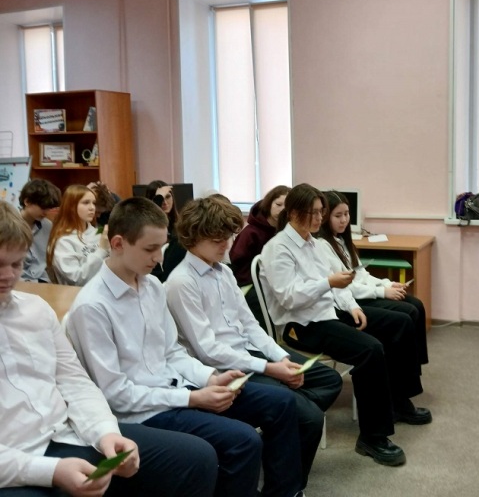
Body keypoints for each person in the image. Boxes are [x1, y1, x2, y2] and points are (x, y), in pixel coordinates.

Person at [65, 197, 304, 497]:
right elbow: (117, 395)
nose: (159, 258)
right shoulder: (92, 306)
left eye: (162, 247)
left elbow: (172, 352)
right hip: (144, 411)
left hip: (177, 389)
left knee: (278, 404)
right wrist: (192, 398)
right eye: (150, 249)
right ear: (118, 244)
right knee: (243, 441)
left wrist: (209, 378)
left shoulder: (151, 286)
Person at [0, 201, 219, 497]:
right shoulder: (92, 304)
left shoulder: (36, 310)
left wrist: (106, 433)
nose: (9, 276)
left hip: (66, 433)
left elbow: (75, 382)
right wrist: (50, 471)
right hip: (15, 460)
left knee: (196, 458)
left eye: (16, 264)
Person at [166, 196, 342, 491]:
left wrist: (280, 357)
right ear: (193, 237)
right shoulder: (182, 282)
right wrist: (270, 368)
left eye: (229, 237)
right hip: (224, 369)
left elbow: (250, 324)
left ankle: (280, 442)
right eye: (217, 240)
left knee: (328, 379)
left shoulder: (223, 272)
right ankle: (285, 483)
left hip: (249, 353)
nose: (226, 245)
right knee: (307, 417)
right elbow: (208, 350)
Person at [260, 183, 431, 468]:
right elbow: (288, 297)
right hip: (300, 325)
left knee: (395, 325)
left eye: (320, 212)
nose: (319, 218)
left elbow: (337, 282)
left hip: (326, 314)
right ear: (293, 213)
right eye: (314, 213)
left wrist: (352, 306)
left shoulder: (313, 243)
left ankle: (398, 402)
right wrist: (328, 283)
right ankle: (373, 437)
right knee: (370, 350)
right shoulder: (277, 249)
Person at [316, 190, 429, 366]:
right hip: (351, 300)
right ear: (325, 217)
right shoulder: (323, 246)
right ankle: (403, 370)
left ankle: (414, 364)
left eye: (346, 214)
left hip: (361, 293)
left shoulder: (343, 241)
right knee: (407, 313)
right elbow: (344, 287)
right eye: (338, 216)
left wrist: (387, 283)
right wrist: (382, 292)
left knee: (416, 304)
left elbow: (362, 275)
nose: (344, 220)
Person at [46, 184, 110, 286]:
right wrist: (102, 250)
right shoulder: (63, 241)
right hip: (79, 293)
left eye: (93, 203)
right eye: (86, 203)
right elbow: (77, 279)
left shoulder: (98, 233)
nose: (92, 208)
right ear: (71, 207)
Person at [230, 185, 291, 286]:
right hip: (250, 283)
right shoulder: (250, 233)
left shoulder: (287, 232)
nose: (282, 210)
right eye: (278, 204)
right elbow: (237, 263)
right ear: (269, 204)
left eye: (287, 207)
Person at [18, 179, 61, 283]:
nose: (46, 212)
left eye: (48, 208)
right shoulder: (7, 225)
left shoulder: (48, 225)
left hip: (42, 281)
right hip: (17, 281)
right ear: (27, 202)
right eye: (42, 207)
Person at [144, 180, 186, 281]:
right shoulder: (146, 226)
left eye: (168, 197)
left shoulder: (182, 225)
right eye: (160, 198)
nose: (165, 202)